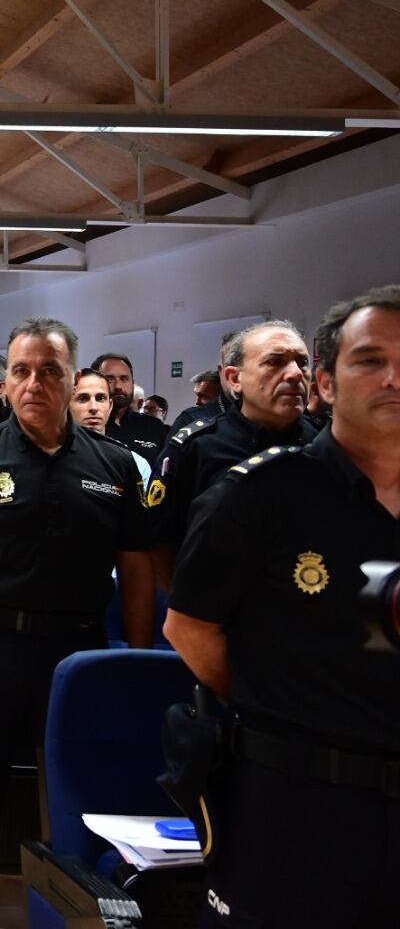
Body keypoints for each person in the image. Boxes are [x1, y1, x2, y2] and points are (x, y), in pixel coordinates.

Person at [162, 286, 400, 928]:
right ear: (328, 381)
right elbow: (188, 627)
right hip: (297, 799)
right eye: (370, 360)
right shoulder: (259, 494)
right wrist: (279, 701)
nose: (393, 378)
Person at [0, 317, 156, 929]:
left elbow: (140, 571)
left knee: (85, 805)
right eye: (21, 371)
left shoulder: (116, 464)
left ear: (73, 380)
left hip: (80, 657)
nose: (34, 383)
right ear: (6, 380)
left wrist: (140, 661)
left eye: (50, 371)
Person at [149, 320, 319, 589]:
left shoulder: (324, 444)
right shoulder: (197, 446)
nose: (295, 374)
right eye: (275, 362)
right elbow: (161, 543)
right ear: (234, 379)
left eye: (302, 362)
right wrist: (186, 611)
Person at [92, 352, 166, 464]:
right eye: (109, 379)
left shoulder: (154, 427)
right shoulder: (86, 426)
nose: (118, 386)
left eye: (124, 379)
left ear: (133, 383)